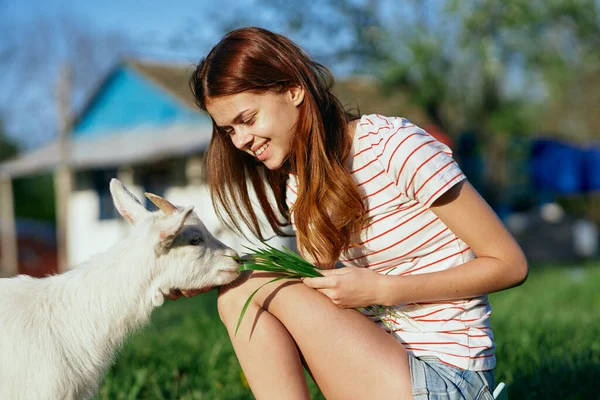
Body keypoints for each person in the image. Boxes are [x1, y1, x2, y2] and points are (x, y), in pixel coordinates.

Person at [187, 26, 528, 400]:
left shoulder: (394, 147)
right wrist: (205, 269)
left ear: (293, 89)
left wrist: (385, 289)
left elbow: (510, 264)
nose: (240, 141)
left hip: (447, 378)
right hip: (380, 364)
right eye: (229, 130)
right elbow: (317, 296)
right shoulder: (299, 184)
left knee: (252, 285)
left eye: (248, 120)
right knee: (236, 291)